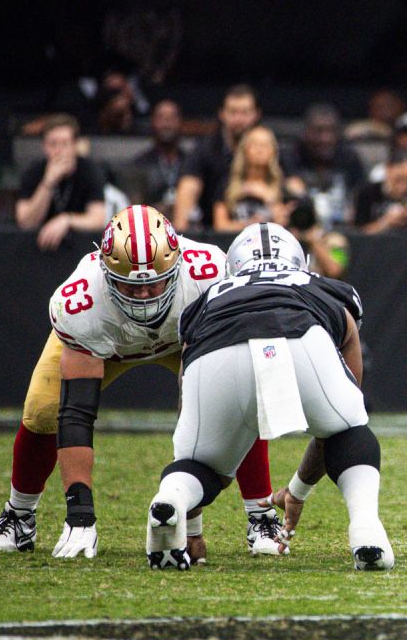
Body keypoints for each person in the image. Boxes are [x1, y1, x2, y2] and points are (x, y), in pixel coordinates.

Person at [0, 206, 281, 560]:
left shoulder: (209, 274)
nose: (144, 296)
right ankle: (19, 516)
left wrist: (192, 521)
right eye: (130, 285)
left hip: (182, 339)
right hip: (108, 346)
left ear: (178, 265)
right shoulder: (82, 301)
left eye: (154, 283)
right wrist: (80, 514)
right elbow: (76, 414)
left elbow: (200, 408)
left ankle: (261, 516)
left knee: (236, 399)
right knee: (42, 411)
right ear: (105, 272)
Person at [147, 222, 392, 571]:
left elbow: (186, 397)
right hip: (300, 336)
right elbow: (336, 429)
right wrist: (299, 490)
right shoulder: (324, 287)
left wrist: (194, 528)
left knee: (199, 465)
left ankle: (171, 498)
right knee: (350, 431)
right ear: (300, 262)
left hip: (215, 351)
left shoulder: (206, 300)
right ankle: (366, 527)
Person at [172, 84, 260, 232]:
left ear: (256, 114)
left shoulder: (269, 147)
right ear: (222, 114)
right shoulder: (205, 149)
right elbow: (188, 187)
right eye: (233, 112)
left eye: (245, 112)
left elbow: (293, 186)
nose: (238, 119)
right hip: (212, 233)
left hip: (263, 231)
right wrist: (180, 234)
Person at [15, 114, 109, 252]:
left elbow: (97, 219)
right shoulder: (33, 172)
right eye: (53, 144)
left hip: (81, 249)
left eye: (64, 143)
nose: (59, 151)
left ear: (75, 145)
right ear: (44, 146)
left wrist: (67, 220)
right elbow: (26, 222)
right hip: (38, 248)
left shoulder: (90, 171)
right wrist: (48, 182)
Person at [282, 103, 364, 228]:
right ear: (306, 132)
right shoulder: (291, 158)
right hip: (301, 231)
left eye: (331, 131)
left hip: (343, 232)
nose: (325, 139)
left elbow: (360, 196)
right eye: (318, 131)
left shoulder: (349, 159)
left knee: (337, 247)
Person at [214, 126, 288, 233]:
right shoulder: (227, 185)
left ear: (274, 151)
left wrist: (266, 196)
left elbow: (283, 224)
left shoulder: (281, 186)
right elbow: (220, 226)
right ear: (244, 149)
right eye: (255, 144)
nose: (260, 150)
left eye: (265, 145)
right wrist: (250, 225)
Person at [128, 99, 185, 215]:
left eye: (172, 118)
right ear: (152, 122)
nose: (167, 124)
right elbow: (135, 207)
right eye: (161, 118)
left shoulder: (192, 162)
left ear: (181, 122)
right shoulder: (139, 164)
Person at [355, 155, 407, 235]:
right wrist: (385, 222)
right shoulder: (367, 194)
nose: (404, 187)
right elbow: (358, 233)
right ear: (388, 170)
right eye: (399, 180)